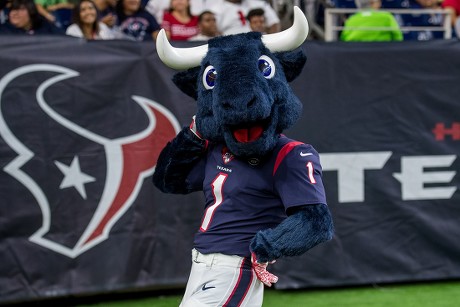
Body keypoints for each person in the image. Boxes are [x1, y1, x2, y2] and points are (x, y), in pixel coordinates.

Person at [207, 0, 281, 35]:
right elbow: (212, 31)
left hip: (259, 41)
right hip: (230, 44)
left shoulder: (257, 3)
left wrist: (272, 39)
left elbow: (274, 23)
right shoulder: (216, 9)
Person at [0, 0, 65, 34]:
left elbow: (64, 39)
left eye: (21, 9)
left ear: (31, 12)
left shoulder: (46, 27)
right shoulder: (4, 31)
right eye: (12, 10)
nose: (15, 13)